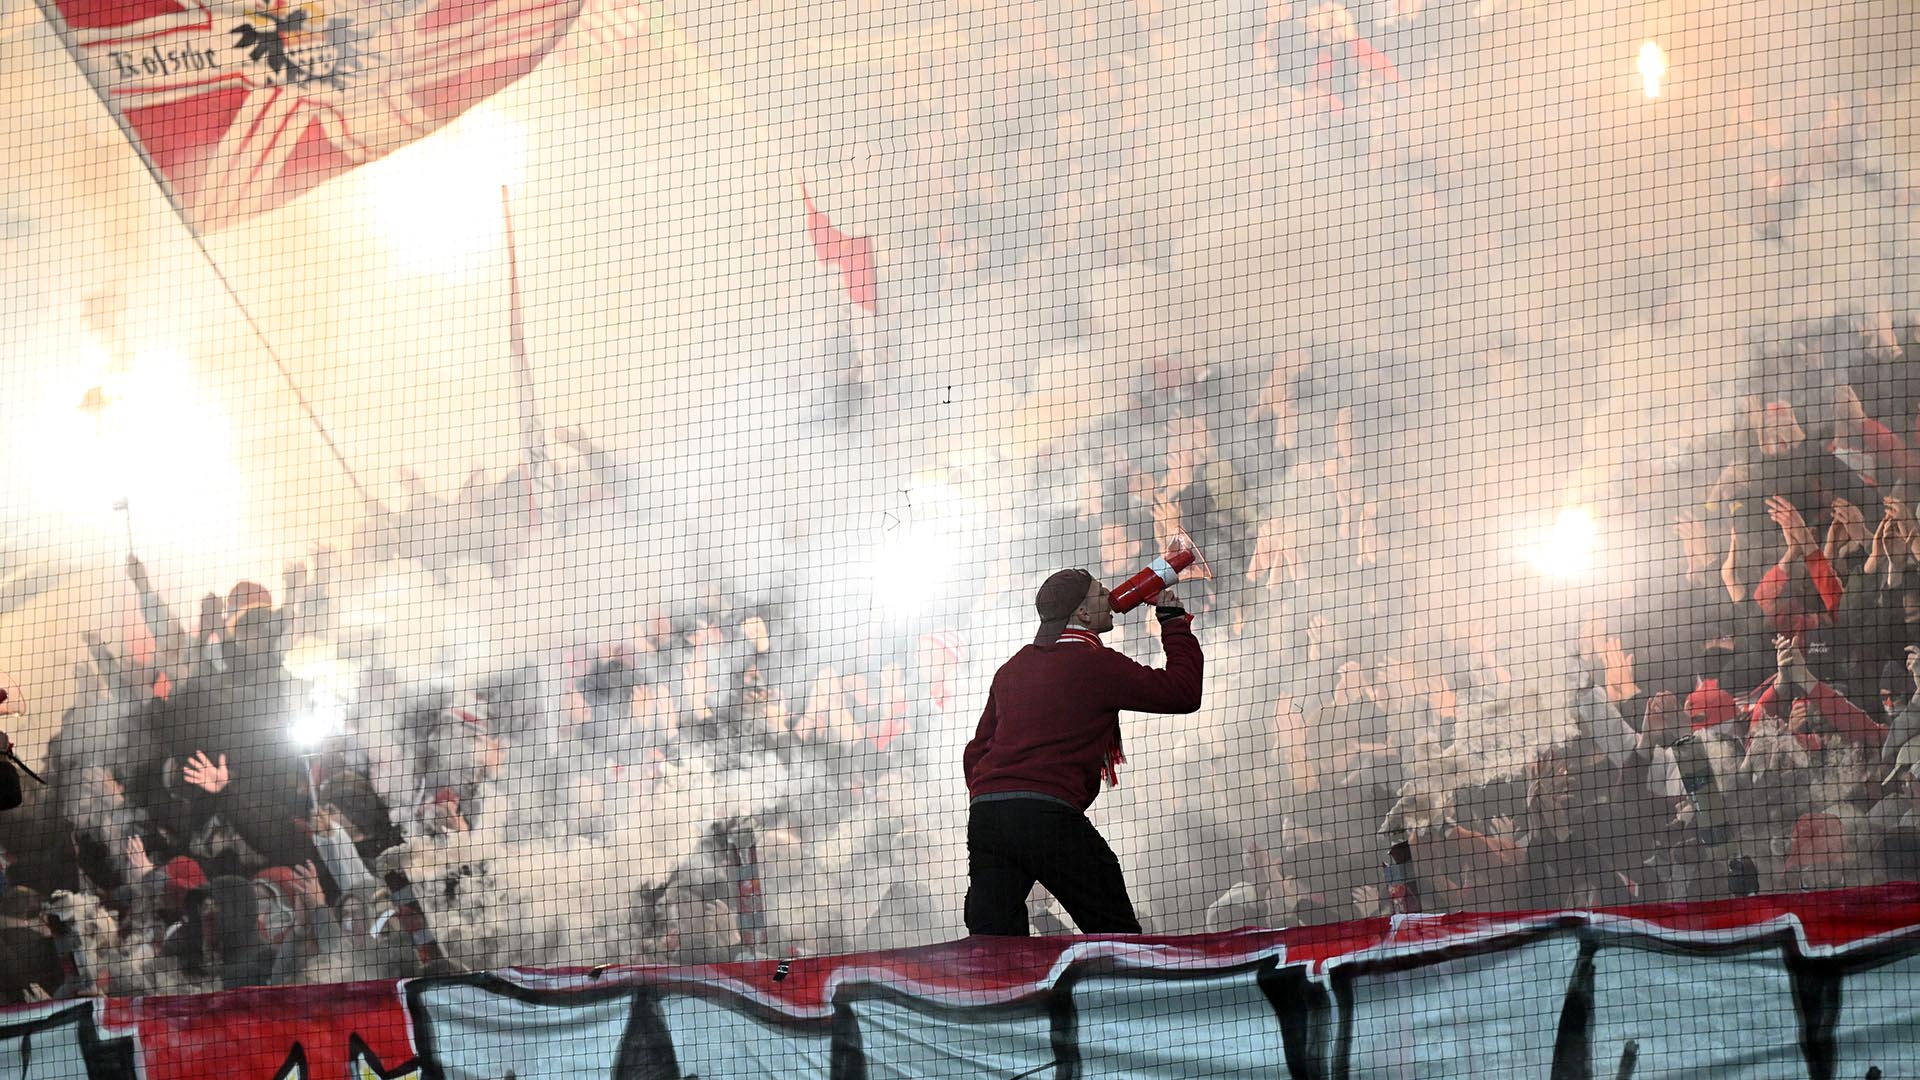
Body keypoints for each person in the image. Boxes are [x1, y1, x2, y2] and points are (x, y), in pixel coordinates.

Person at [962, 567, 1204, 936]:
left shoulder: (1012, 668)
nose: (1110, 594)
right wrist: (1171, 620)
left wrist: (999, 805)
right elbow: (1183, 692)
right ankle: (1131, 991)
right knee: (1113, 930)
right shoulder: (1096, 664)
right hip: (1046, 813)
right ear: (1083, 614)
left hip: (988, 815)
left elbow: (977, 752)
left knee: (994, 942)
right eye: (1099, 591)